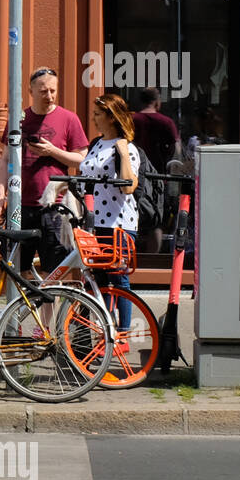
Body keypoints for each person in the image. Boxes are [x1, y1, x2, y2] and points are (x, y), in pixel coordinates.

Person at [0, 66, 89, 271]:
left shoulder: (69, 119)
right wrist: (1, 194)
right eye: (43, 91)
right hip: (19, 205)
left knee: (53, 269)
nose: (49, 96)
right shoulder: (19, 120)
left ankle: (47, 305)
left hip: (54, 206)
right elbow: (4, 160)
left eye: (53, 91)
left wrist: (52, 151)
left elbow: (81, 160)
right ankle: (24, 304)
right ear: (31, 92)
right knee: (16, 266)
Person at [79, 93, 140, 329]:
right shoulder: (96, 144)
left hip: (119, 223)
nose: (93, 119)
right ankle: (106, 331)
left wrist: (123, 152)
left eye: (97, 114)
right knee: (99, 279)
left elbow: (129, 186)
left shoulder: (127, 148)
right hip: (95, 223)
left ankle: (123, 333)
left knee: (119, 279)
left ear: (112, 118)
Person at [130, 88, 183, 252]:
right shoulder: (165, 122)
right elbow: (177, 150)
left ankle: (130, 257)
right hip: (158, 177)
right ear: (157, 102)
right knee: (156, 220)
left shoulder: (132, 119)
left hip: (133, 174)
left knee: (131, 216)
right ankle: (152, 259)